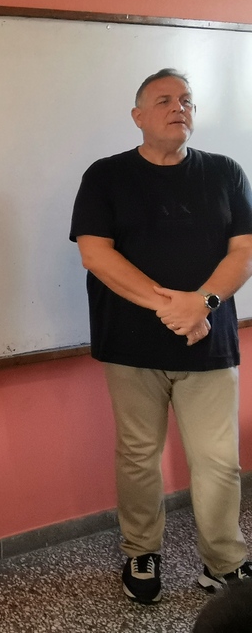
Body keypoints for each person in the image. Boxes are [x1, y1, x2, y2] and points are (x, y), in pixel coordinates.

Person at [70, 68, 252, 605]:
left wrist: (204, 304)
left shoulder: (225, 172)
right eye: (165, 100)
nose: (179, 108)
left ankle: (225, 563)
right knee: (138, 456)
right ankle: (141, 552)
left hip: (209, 343)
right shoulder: (106, 175)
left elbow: (244, 250)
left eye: (187, 101)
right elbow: (95, 253)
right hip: (132, 346)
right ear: (138, 116)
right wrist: (175, 308)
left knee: (218, 461)